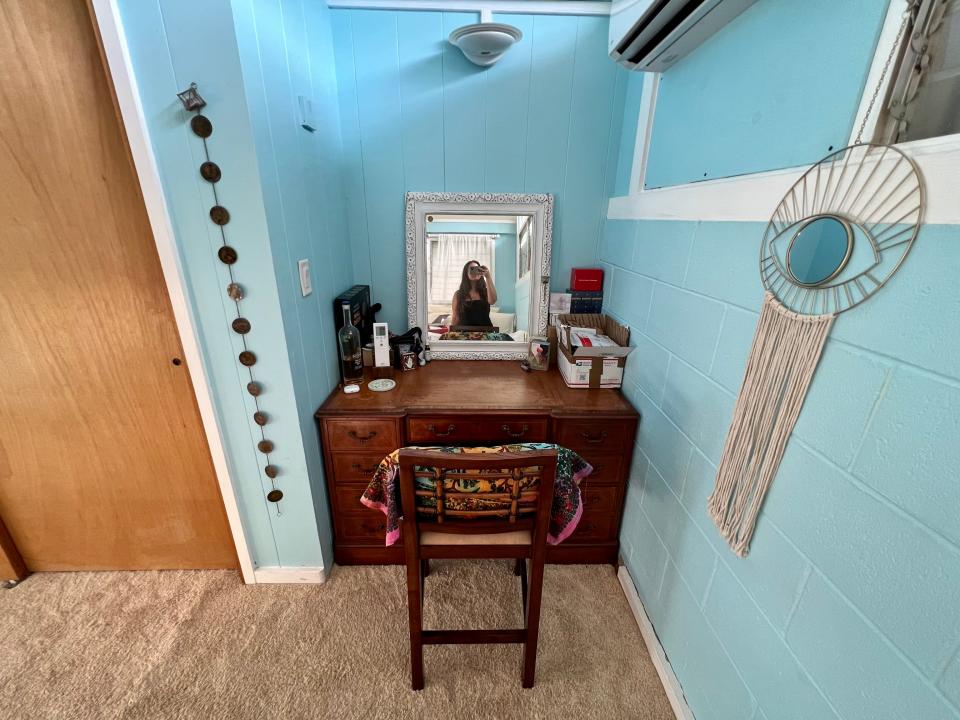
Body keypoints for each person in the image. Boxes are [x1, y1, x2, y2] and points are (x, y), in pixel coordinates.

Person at [450, 260, 497, 328]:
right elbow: (455, 317)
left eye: (477, 269)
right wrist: (450, 335)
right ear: (466, 273)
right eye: (472, 269)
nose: (475, 272)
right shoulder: (458, 294)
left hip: (485, 332)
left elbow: (493, 301)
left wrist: (488, 276)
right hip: (464, 333)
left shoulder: (486, 291)